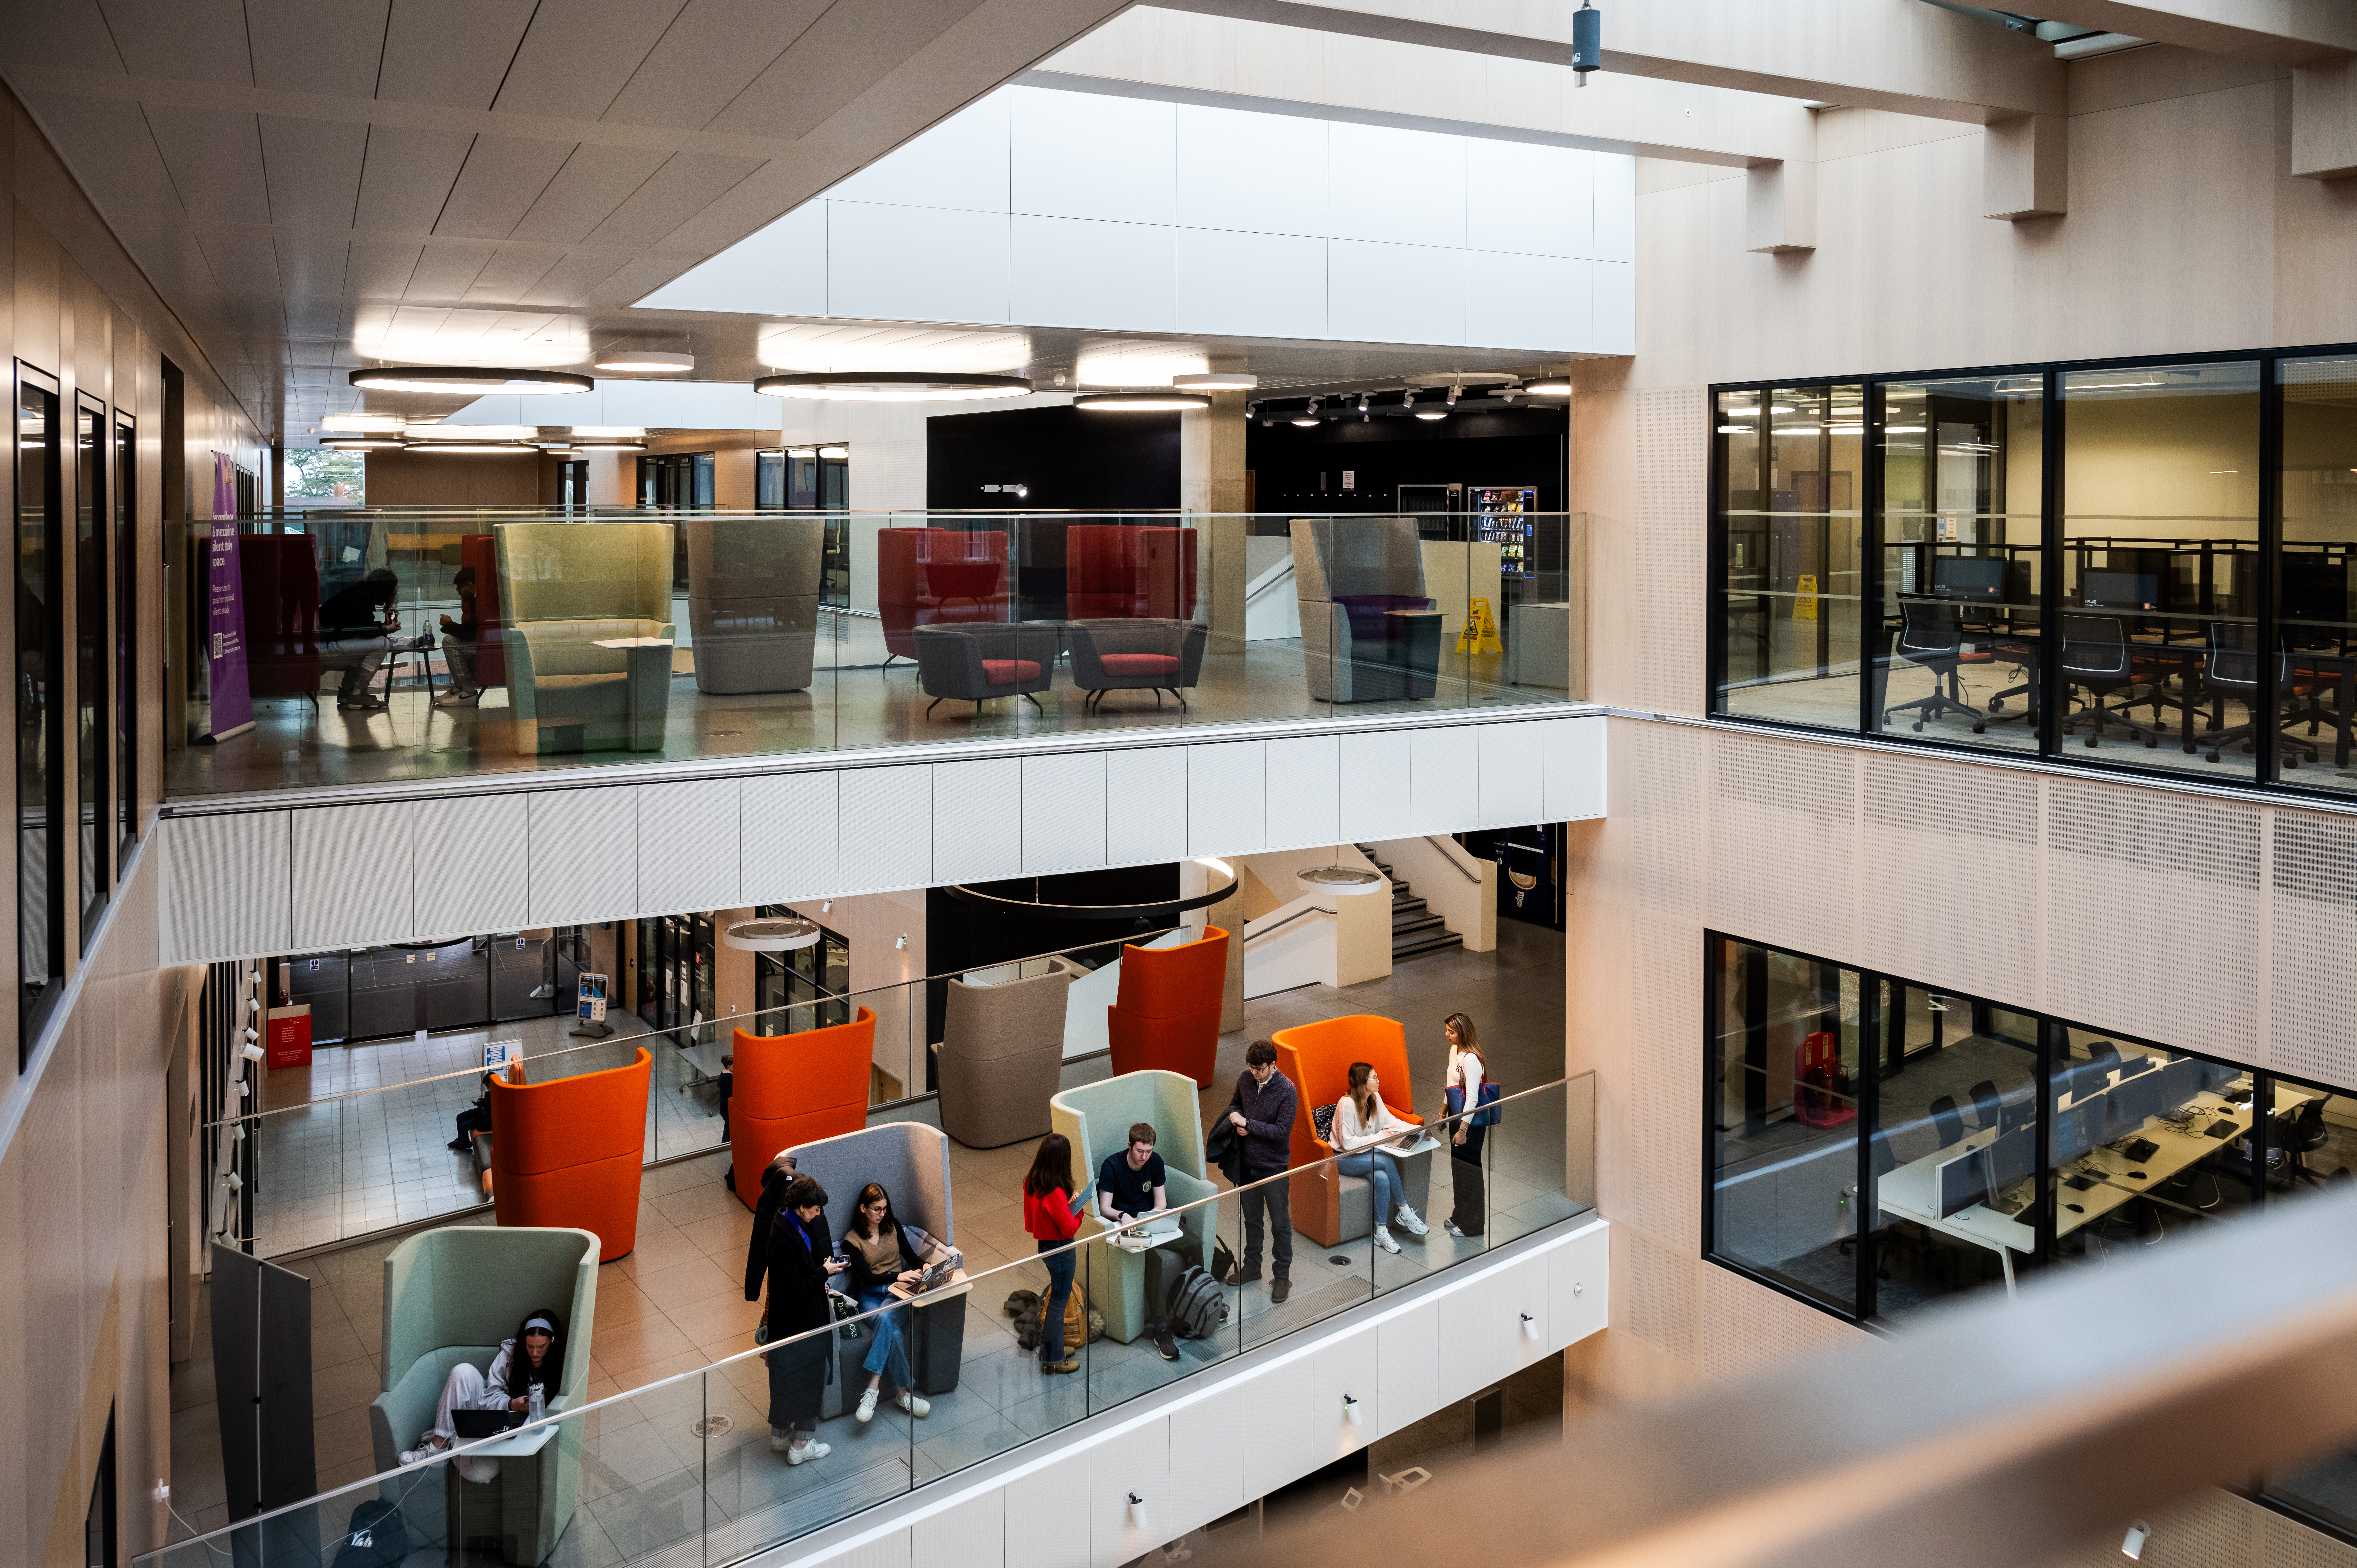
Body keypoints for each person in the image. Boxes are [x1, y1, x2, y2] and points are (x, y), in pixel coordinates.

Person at [837, 1181, 957, 1422]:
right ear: (863, 1208)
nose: (882, 1214)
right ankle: (903, 1395)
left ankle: (873, 1389)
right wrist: (898, 1274)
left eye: (885, 1208)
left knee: (886, 1318)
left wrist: (925, 1268)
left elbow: (911, 1257)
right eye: (876, 1209)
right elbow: (866, 1277)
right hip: (870, 1295)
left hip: (899, 1293)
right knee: (890, 1325)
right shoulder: (851, 1240)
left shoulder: (892, 1226)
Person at [745, 1167, 842, 1465]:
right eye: (814, 1210)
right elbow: (796, 1290)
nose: (816, 1215)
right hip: (802, 1325)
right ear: (802, 1207)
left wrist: (818, 1274)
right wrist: (823, 1273)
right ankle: (801, 1444)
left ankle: (779, 1436)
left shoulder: (785, 1223)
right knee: (810, 1379)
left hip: (786, 1326)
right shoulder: (786, 1240)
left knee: (784, 1380)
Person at [398, 1309, 564, 1482]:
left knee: (481, 1475)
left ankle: (455, 1442)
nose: (535, 1353)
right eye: (530, 1347)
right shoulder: (511, 1354)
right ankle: (439, 1446)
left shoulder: (561, 1362)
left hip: (525, 1433)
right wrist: (511, 1405)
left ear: (552, 1341)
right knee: (462, 1372)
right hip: (494, 1417)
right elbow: (488, 1396)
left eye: (541, 1347)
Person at [1097, 1122, 1182, 1362]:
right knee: (1152, 1260)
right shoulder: (1112, 1166)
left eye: (1149, 1151)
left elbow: (1161, 1201)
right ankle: (1161, 1328)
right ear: (1130, 1146)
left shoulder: (1155, 1162)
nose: (1145, 1157)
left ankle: (1197, 1295)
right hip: (1123, 1225)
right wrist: (1123, 1216)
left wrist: (1153, 1215)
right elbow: (1105, 1207)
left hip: (1148, 1220)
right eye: (1140, 1151)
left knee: (1191, 1242)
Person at [1224, 1040, 1297, 1302]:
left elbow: (1281, 1133)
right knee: (1251, 1221)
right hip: (1247, 1165)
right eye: (1251, 1067)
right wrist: (1236, 1120)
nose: (1254, 1072)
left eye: (1260, 1068)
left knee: (1280, 1224)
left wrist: (1249, 1124)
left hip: (1274, 1168)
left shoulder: (1288, 1090)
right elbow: (1235, 1105)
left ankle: (1282, 1276)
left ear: (1273, 1065)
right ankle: (1253, 1267)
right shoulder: (1245, 1078)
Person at [1331, 1061, 1428, 1254]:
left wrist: (1419, 1130)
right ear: (1362, 1082)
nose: (1379, 1080)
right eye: (1374, 1078)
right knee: (1386, 1160)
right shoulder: (1347, 1105)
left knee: (1382, 1178)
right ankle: (1405, 1211)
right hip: (1342, 1158)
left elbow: (1392, 1122)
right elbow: (1348, 1144)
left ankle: (1381, 1232)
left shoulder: (1375, 1098)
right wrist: (1379, 1137)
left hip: (1365, 1154)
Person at [319, 567, 430, 711]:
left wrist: (384, 627)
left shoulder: (359, 592)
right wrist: (385, 629)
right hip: (327, 646)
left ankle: (347, 691)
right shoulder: (362, 597)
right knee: (382, 644)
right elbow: (363, 631)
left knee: (365, 648)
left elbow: (359, 626)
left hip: (325, 643)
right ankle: (357, 694)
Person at [1022, 1133, 1083, 1374]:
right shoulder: (1054, 1191)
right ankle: (1054, 1359)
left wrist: (1066, 1207)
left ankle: (1053, 1348)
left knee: (1058, 1298)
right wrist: (1077, 1210)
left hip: (1046, 1247)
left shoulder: (1032, 1182)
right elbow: (1069, 1227)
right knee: (1059, 1301)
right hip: (1062, 1249)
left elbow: (1034, 1221)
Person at [1442, 1013, 1489, 1238]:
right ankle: (1460, 1214)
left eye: (1451, 1031)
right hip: (1456, 1117)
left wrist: (1463, 1130)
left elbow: (1473, 1098)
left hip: (1470, 1124)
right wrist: (1443, 1114)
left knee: (1470, 1171)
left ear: (1463, 1032)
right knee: (1459, 1170)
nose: (1447, 1035)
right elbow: (1451, 1085)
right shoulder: (1455, 1051)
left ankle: (1473, 1224)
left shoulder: (1471, 1059)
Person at [433, 565, 483, 705]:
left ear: (470, 585)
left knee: (450, 642)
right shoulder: (479, 600)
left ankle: (467, 692)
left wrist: (448, 624)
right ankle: (460, 687)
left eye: (460, 589)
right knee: (450, 640)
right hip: (488, 642)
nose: (459, 593)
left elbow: (469, 634)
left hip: (491, 645)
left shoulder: (479, 602)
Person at [447, 1070, 497, 1153]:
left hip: (487, 1119)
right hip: (484, 1113)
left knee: (463, 1127)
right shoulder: (491, 1092)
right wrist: (482, 1101)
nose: (488, 1089)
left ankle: (464, 1143)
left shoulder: (492, 1093)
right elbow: (489, 1104)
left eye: (488, 1086)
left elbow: (490, 1108)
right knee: (461, 1117)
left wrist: (481, 1103)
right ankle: (462, 1140)